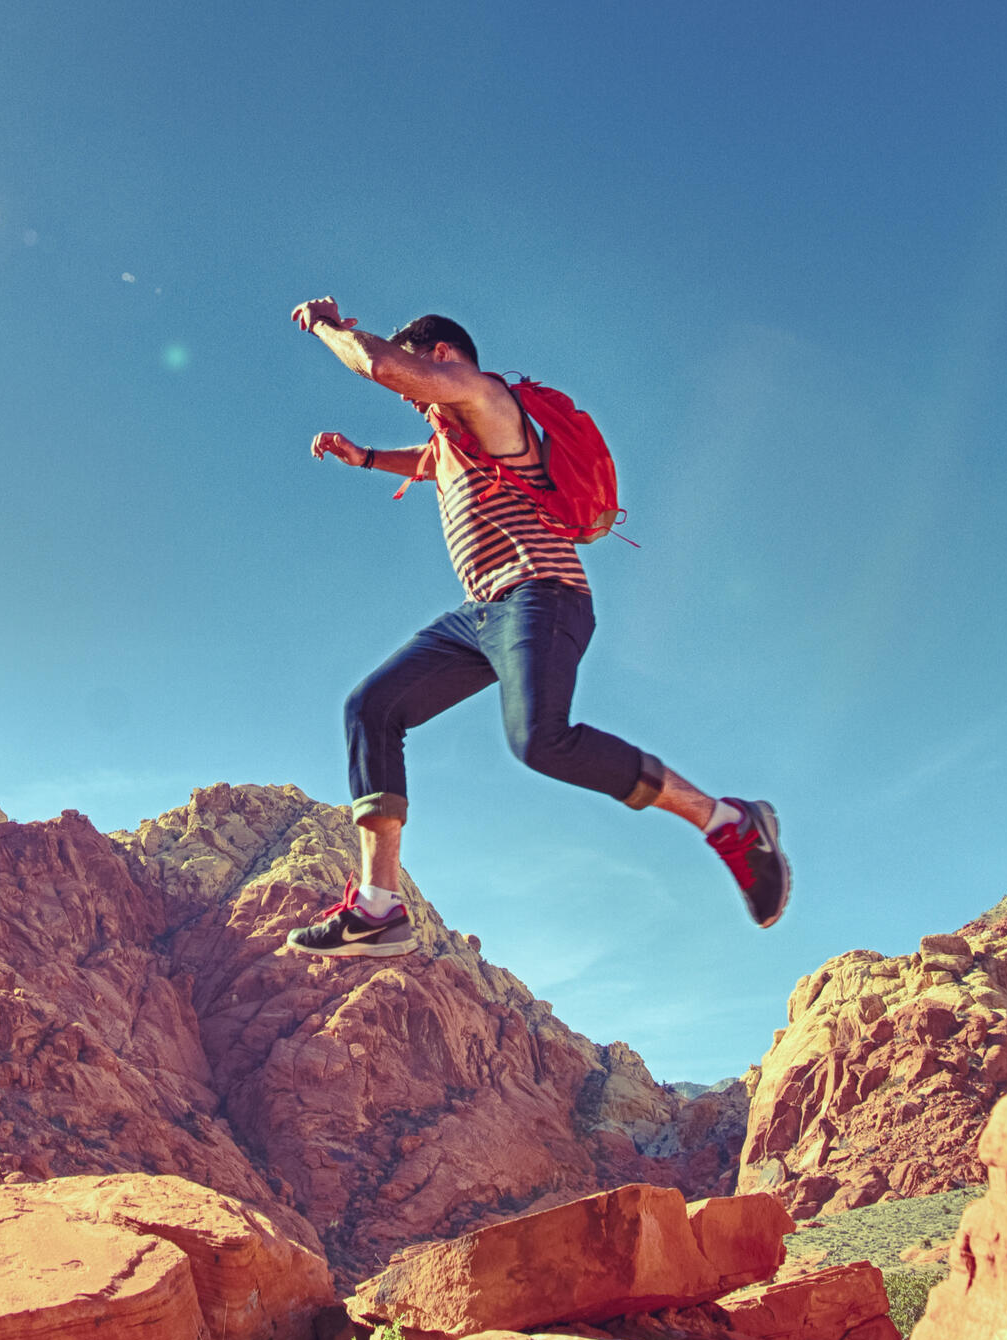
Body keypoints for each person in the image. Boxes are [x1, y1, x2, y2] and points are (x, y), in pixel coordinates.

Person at [283, 297, 788, 959]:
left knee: (540, 740)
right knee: (370, 707)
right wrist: (367, 457)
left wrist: (328, 326)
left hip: (542, 595)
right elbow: (430, 460)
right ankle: (379, 908)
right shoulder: (455, 435)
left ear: (442, 356)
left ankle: (729, 822)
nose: (410, 397)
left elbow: (381, 366)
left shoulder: (485, 396)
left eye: (419, 375)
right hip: (481, 614)